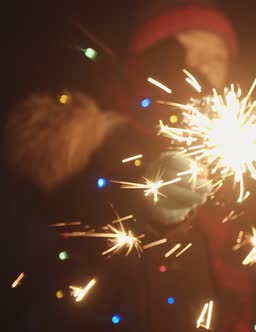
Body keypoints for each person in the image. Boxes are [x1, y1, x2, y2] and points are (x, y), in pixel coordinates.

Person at [2, 1, 243, 331]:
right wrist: (152, 197)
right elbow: (94, 201)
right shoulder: (85, 135)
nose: (203, 64)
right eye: (186, 43)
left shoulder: (234, 163)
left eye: (218, 55)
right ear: (149, 52)